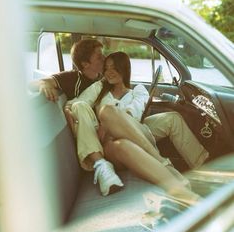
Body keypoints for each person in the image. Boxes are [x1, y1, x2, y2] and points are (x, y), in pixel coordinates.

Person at [67, 51, 202, 204]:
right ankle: (165, 165)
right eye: (106, 68)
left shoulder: (137, 90)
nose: (109, 72)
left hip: (134, 131)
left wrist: (112, 122)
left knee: (111, 113)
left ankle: (202, 169)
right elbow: (75, 104)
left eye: (115, 67)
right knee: (109, 118)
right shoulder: (99, 88)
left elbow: (135, 113)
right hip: (109, 145)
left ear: (124, 69)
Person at [29, 38, 124, 196]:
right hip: (87, 132)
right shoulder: (73, 78)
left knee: (170, 119)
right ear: (85, 63)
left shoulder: (106, 78)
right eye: (99, 57)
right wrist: (44, 85)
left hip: (108, 129)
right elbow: (33, 83)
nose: (105, 59)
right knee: (78, 106)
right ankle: (101, 165)